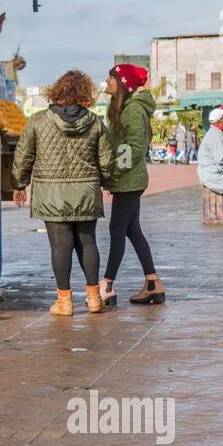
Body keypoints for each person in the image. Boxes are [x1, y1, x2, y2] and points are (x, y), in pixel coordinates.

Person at [11, 69, 114, 316]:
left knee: (60, 246)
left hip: (51, 192)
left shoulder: (37, 121)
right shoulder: (95, 122)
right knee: (88, 243)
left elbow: (23, 156)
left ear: (57, 91)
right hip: (86, 191)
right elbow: (107, 159)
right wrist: (107, 181)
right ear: (84, 93)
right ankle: (93, 299)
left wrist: (19, 184)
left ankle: (65, 302)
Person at [98, 64, 163, 306]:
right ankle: (152, 283)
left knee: (117, 231)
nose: (107, 81)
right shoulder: (121, 108)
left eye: (111, 77)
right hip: (127, 180)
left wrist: (115, 170)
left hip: (129, 181)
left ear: (123, 83)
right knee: (132, 231)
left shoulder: (133, 110)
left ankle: (107, 285)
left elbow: (134, 147)